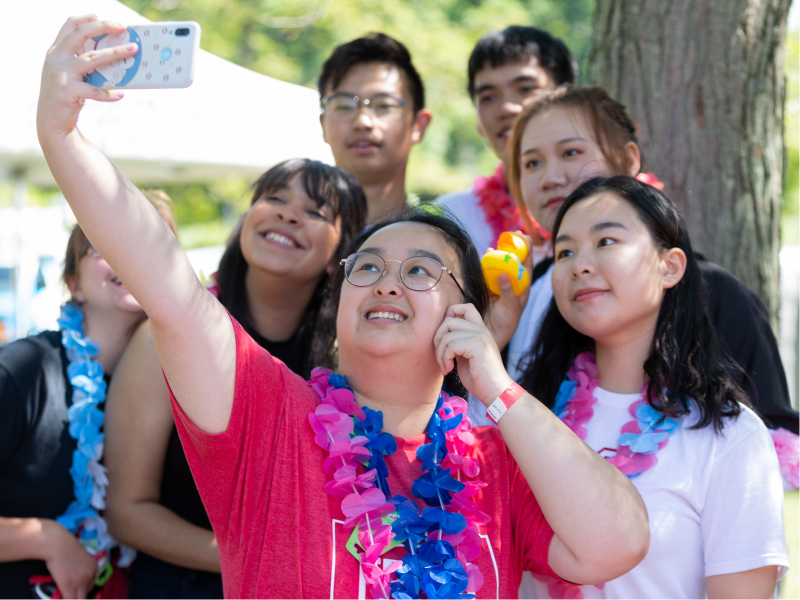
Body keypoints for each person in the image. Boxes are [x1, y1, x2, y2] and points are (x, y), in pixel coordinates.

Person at [38, 17, 650, 598]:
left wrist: (497, 388)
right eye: (368, 268)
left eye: (419, 271)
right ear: (338, 305)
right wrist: (61, 136)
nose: (387, 282)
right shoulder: (268, 414)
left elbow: (616, 543)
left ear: (464, 315)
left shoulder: (499, 463)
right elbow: (165, 281)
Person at [483, 85, 799, 453]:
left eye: (571, 152)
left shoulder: (716, 292)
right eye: (531, 163)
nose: (550, 177)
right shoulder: (525, 289)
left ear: (629, 159)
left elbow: (769, 444)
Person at [104, 160, 367, 598]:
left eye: (316, 211)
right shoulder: (167, 337)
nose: (287, 214)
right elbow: (126, 511)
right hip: (180, 584)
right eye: (275, 198)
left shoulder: (347, 365)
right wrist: (259, 561)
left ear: (342, 258)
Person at [518, 175, 788, 598]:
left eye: (606, 241)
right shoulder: (522, 412)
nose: (580, 264)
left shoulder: (729, 436)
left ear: (670, 266)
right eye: (565, 251)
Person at [0, 206, 172, 598]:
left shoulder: (182, 396)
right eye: (105, 244)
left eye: (151, 243)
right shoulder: (24, 371)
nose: (129, 253)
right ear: (73, 283)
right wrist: (41, 537)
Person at [437, 26, 576, 258]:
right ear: (478, 123)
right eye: (489, 97)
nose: (506, 108)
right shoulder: (452, 219)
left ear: (571, 102)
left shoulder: (614, 210)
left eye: (526, 89)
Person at [318, 33, 432, 223]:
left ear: (418, 125)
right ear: (323, 125)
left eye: (384, 105)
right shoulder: (292, 238)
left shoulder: (440, 245)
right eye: (344, 106)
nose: (363, 121)